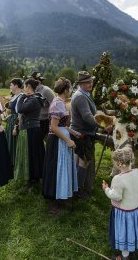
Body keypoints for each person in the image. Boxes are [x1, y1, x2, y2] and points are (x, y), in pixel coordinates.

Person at [70, 71, 112, 198]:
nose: (91, 84)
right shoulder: (81, 97)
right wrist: (103, 127)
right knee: (84, 162)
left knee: (80, 161)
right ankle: (78, 190)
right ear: (81, 84)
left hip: (82, 133)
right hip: (82, 134)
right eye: (87, 82)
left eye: (91, 81)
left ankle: (77, 187)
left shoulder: (84, 94)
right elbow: (88, 117)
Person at [42, 77, 79, 213]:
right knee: (56, 168)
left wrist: (72, 132)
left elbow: (62, 125)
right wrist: (68, 140)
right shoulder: (57, 103)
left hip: (61, 137)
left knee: (62, 168)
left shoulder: (61, 102)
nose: (70, 91)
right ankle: (54, 202)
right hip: (57, 140)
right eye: (69, 88)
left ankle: (61, 197)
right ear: (65, 89)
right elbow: (54, 127)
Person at [102, 148, 138, 260]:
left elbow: (116, 196)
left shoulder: (118, 179)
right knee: (131, 231)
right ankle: (132, 250)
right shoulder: (137, 172)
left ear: (118, 163)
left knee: (124, 233)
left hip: (124, 213)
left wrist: (106, 189)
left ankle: (124, 256)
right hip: (135, 210)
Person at [14, 78, 45, 187]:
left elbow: (19, 109)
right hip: (29, 129)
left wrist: (22, 96)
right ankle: (32, 177)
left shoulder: (34, 99)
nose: (23, 88)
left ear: (28, 86)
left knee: (31, 155)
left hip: (31, 130)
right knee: (30, 154)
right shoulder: (32, 98)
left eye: (24, 86)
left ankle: (33, 178)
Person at [5, 78, 23, 167]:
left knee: (14, 143)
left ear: (16, 85)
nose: (10, 87)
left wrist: (16, 127)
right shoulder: (15, 96)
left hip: (16, 122)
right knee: (9, 142)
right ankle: (10, 163)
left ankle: (15, 164)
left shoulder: (21, 96)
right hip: (11, 120)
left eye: (11, 85)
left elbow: (20, 114)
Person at [31, 71, 55, 141]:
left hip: (45, 121)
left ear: (38, 81)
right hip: (35, 121)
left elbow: (54, 106)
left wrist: (51, 123)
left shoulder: (47, 90)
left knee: (43, 141)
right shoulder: (33, 90)